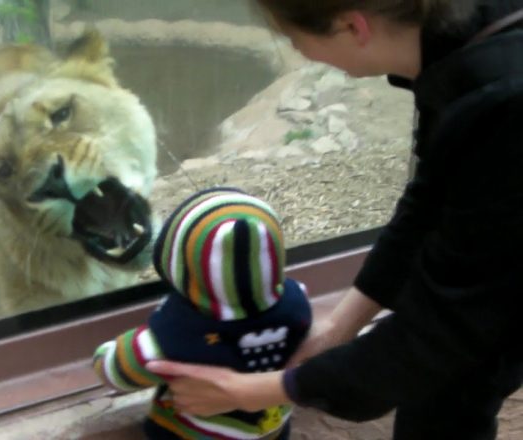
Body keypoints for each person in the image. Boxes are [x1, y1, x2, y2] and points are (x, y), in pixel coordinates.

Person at [145, 1, 523, 439]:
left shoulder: (503, 108)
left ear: (351, 26)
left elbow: (447, 332)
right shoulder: (458, 41)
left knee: (457, 374)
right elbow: (430, 200)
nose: (298, 53)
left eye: (293, 39)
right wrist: (340, 327)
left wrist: (256, 391)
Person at [93, 188, 312, 439]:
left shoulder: (176, 333)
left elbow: (116, 370)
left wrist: (104, 356)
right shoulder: (297, 300)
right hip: (271, 425)